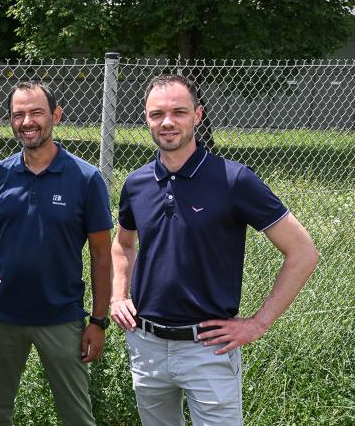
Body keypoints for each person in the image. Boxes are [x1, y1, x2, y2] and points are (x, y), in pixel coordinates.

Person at [110, 74, 319, 426]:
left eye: (179, 112)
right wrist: (118, 295)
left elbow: (303, 252)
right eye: (157, 114)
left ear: (198, 115)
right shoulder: (136, 183)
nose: (167, 122)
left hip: (208, 348)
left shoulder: (233, 180)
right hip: (145, 345)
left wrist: (257, 324)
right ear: (146, 119)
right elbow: (123, 243)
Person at [0, 82, 113, 425]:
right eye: (18, 114)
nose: (27, 121)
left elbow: (102, 256)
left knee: (77, 417)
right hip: (1, 317)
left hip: (62, 318)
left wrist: (98, 321)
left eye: (36, 112)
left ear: (56, 115)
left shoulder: (86, 178)